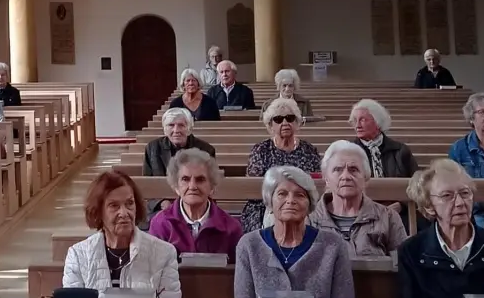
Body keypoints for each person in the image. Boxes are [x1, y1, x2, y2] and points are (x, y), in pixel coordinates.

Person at [233, 166, 355, 298]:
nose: (290, 201)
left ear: (310, 204)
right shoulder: (248, 245)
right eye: (282, 194)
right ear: (270, 202)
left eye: (299, 195)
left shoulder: (333, 245)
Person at [61, 170, 181, 298]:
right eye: (114, 206)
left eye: (129, 204)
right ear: (98, 212)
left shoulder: (164, 252)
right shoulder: (78, 255)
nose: (124, 212)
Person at [397, 159, 484, 298]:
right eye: (447, 196)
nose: (460, 203)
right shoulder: (411, 252)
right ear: (429, 207)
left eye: (465, 193)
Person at [310, 141, 407, 259]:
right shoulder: (310, 220)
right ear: (326, 178)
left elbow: (403, 264)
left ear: (365, 177)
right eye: (338, 169)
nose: (345, 176)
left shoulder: (388, 217)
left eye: (353, 169)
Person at [239, 98, 322, 232]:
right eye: (278, 119)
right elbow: (254, 186)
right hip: (266, 206)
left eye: (290, 118)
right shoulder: (261, 150)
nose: (285, 123)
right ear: (270, 125)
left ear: (297, 122)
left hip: (301, 204)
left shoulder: (309, 150)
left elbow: (317, 183)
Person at [145, 149, 242, 258]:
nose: (192, 186)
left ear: (212, 187)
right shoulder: (161, 224)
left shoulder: (231, 228)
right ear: (176, 187)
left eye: (200, 179)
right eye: (185, 179)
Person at [349, 99, 419, 178]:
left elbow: (416, 183)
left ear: (377, 121)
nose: (357, 125)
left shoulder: (400, 151)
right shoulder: (349, 152)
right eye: (355, 120)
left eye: (363, 120)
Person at [142, 108, 217, 181]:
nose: (176, 130)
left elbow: (209, 182)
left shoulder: (206, 150)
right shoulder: (152, 148)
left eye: (181, 125)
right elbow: (147, 181)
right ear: (165, 129)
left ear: (189, 129)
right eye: (171, 125)